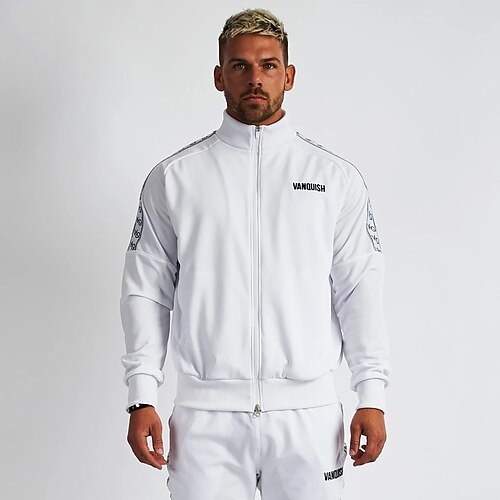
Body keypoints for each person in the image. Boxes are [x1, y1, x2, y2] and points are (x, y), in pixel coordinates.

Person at [120, 8, 390, 500]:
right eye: (240, 66)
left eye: (268, 65)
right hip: (205, 420)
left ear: (289, 76)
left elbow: (358, 289)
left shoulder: (334, 179)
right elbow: (146, 291)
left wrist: (371, 394)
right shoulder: (175, 178)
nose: (255, 78)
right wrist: (142, 396)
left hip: (308, 417)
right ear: (219, 76)